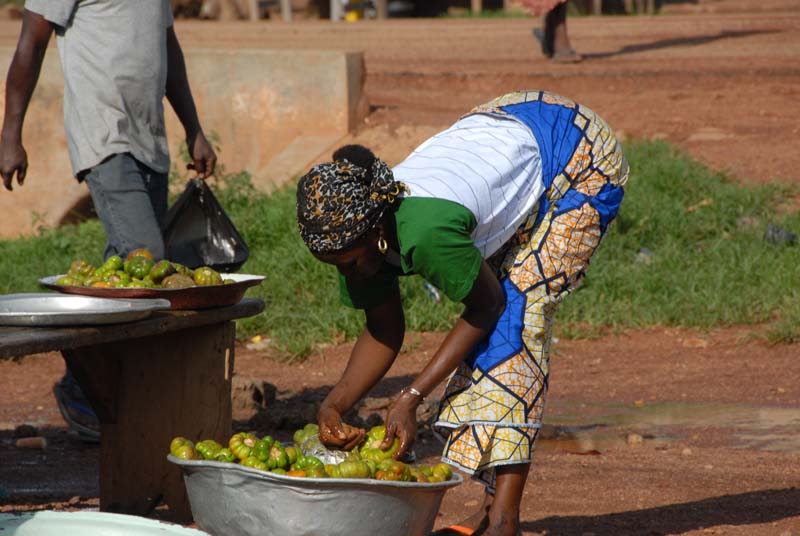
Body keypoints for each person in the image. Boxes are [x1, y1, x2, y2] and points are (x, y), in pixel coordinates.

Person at [296, 90, 628, 536]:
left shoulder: (424, 231)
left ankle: (504, 518)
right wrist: (334, 405)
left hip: (577, 156)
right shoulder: (356, 234)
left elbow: (488, 305)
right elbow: (384, 328)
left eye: (349, 263)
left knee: (515, 321)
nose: (349, 273)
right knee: (492, 313)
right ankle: (492, 509)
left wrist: (411, 397)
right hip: (513, 127)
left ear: (377, 234)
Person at [0, 0, 217, 440]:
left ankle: (89, 384)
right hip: (104, 133)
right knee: (147, 257)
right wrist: (10, 134)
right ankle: (87, 392)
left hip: (149, 137)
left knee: (124, 266)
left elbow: (167, 47)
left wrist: (193, 128)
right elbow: (31, 42)